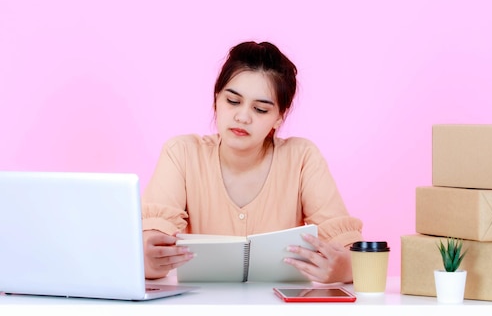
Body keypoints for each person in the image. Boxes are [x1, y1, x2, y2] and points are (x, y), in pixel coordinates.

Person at [141, 41, 363, 284]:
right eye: (233, 101)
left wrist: (346, 268)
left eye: (260, 109)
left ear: (279, 117)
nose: (242, 116)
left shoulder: (302, 158)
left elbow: (354, 254)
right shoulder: (182, 153)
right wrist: (149, 260)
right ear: (217, 99)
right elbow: (148, 243)